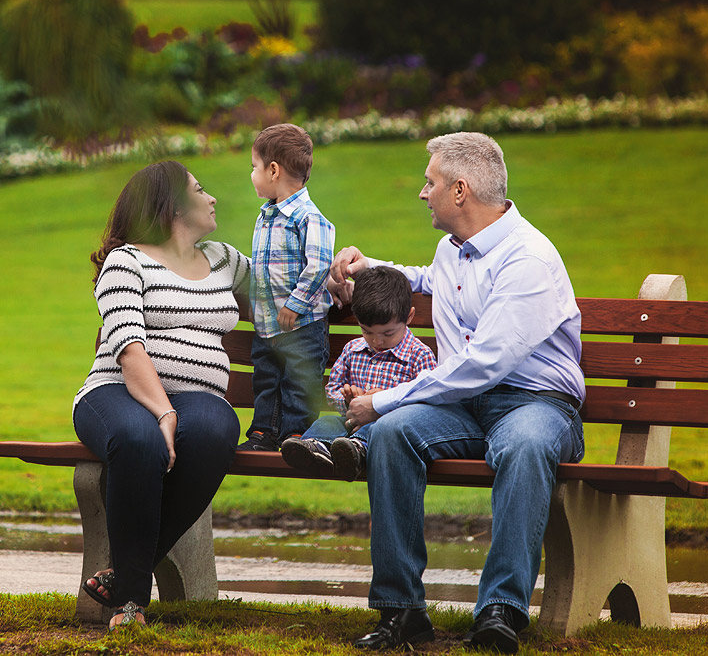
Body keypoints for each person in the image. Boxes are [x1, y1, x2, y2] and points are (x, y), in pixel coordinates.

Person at [329, 132, 585, 654]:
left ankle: (500, 610)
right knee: (396, 434)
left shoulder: (528, 258)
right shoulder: (455, 249)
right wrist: (367, 270)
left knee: (524, 444)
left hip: (535, 404)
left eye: (431, 182)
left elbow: (483, 364)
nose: (423, 193)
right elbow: (429, 279)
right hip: (468, 406)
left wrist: (381, 400)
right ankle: (402, 611)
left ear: (461, 190)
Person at [74, 160, 250, 631]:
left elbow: (284, 291)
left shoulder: (223, 259)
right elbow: (130, 351)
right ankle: (131, 604)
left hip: (201, 399)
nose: (212, 198)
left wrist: (341, 274)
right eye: (200, 189)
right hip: (117, 393)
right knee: (139, 440)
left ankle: (123, 575)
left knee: (216, 431)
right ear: (171, 205)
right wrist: (164, 411)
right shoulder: (126, 261)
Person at [280, 266, 436, 481]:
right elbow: (333, 388)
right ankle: (314, 448)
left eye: (388, 333)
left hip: (388, 429)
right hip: (348, 421)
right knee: (327, 423)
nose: (377, 341)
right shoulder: (353, 349)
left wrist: (386, 401)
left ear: (408, 316)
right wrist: (347, 400)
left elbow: (428, 403)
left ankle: (355, 451)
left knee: (376, 429)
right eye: (367, 331)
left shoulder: (419, 355)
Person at [238, 123, 336, 452]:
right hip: (268, 325)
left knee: (297, 379)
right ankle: (264, 431)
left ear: (274, 170)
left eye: (254, 167)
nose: (252, 174)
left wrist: (295, 304)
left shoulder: (309, 218)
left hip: (302, 325)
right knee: (267, 377)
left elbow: (320, 264)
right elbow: (264, 267)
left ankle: (296, 434)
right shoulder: (267, 216)